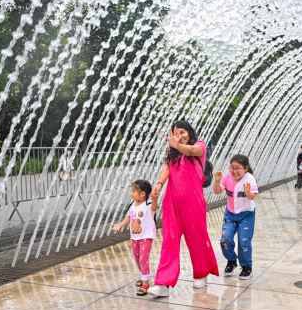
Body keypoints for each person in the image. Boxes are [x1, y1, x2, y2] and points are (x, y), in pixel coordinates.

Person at [148, 120, 219, 297]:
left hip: (193, 203)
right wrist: (158, 185)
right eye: (175, 133)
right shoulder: (172, 154)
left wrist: (177, 145)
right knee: (169, 242)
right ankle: (163, 284)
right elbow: (167, 168)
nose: (179, 136)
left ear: (189, 132)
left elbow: (192, 151)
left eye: (182, 132)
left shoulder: (199, 146)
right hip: (172, 203)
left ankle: (201, 273)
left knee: (196, 238)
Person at [213, 154, 258, 280]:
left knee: (244, 241)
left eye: (238, 168)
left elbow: (252, 197)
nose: (234, 171)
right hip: (230, 214)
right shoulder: (227, 177)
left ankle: (246, 266)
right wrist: (217, 181)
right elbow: (217, 191)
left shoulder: (250, 178)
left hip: (246, 215)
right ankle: (231, 260)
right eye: (232, 168)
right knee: (225, 240)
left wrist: (248, 192)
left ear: (245, 168)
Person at [111, 180, 158, 296]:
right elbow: (128, 217)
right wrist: (120, 224)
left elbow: (155, 207)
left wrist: (155, 199)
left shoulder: (148, 204)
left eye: (134, 191)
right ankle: (143, 276)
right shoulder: (133, 204)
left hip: (146, 236)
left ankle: (145, 283)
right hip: (135, 237)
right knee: (137, 259)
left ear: (142, 194)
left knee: (143, 259)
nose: (131, 193)